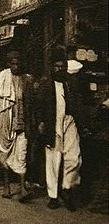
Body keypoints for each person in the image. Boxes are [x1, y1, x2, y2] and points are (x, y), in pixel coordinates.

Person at [37, 51, 85, 211]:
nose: (59, 69)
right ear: (52, 68)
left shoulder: (70, 84)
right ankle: (53, 196)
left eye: (62, 67)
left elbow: (77, 105)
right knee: (53, 160)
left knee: (74, 158)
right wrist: (41, 122)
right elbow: (39, 106)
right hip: (53, 124)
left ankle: (67, 187)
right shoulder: (46, 84)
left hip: (69, 122)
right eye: (56, 66)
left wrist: (81, 124)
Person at [0, 50, 34, 202]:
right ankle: (6, 186)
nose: (15, 66)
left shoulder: (27, 79)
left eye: (18, 63)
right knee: (4, 154)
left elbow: (30, 104)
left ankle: (22, 188)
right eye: (12, 63)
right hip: (4, 121)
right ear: (8, 64)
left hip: (21, 123)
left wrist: (30, 123)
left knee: (21, 154)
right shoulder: (1, 78)